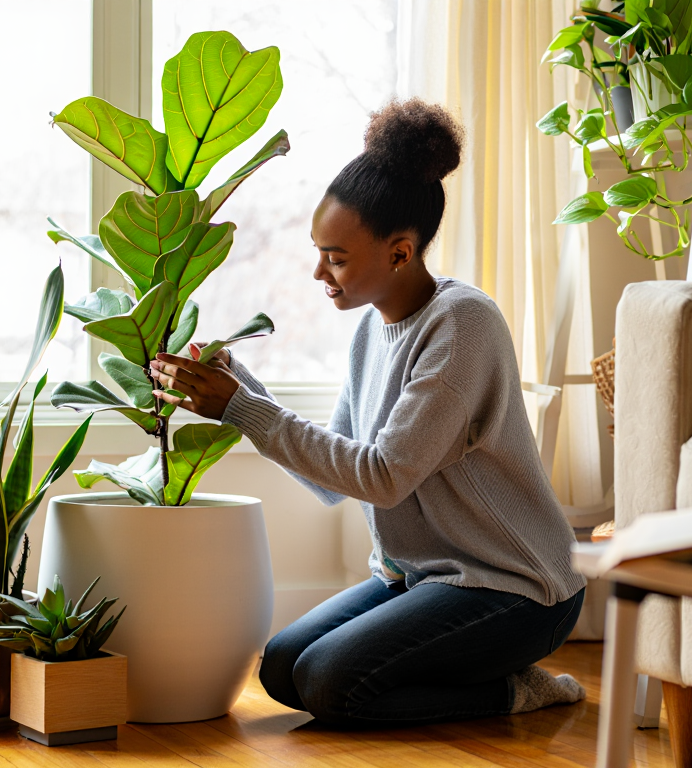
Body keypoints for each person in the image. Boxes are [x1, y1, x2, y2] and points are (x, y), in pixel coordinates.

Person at [149, 98, 587, 727]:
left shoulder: (462, 325)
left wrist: (242, 410)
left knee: (330, 686)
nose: (318, 271)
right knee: (282, 669)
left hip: (516, 587)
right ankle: (470, 674)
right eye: (318, 251)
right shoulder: (370, 331)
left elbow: (382, 477)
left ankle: (517, 691)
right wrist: (237, 385)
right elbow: (336, 480)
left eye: (336, 257)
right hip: (422, 578)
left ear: (400, 253)